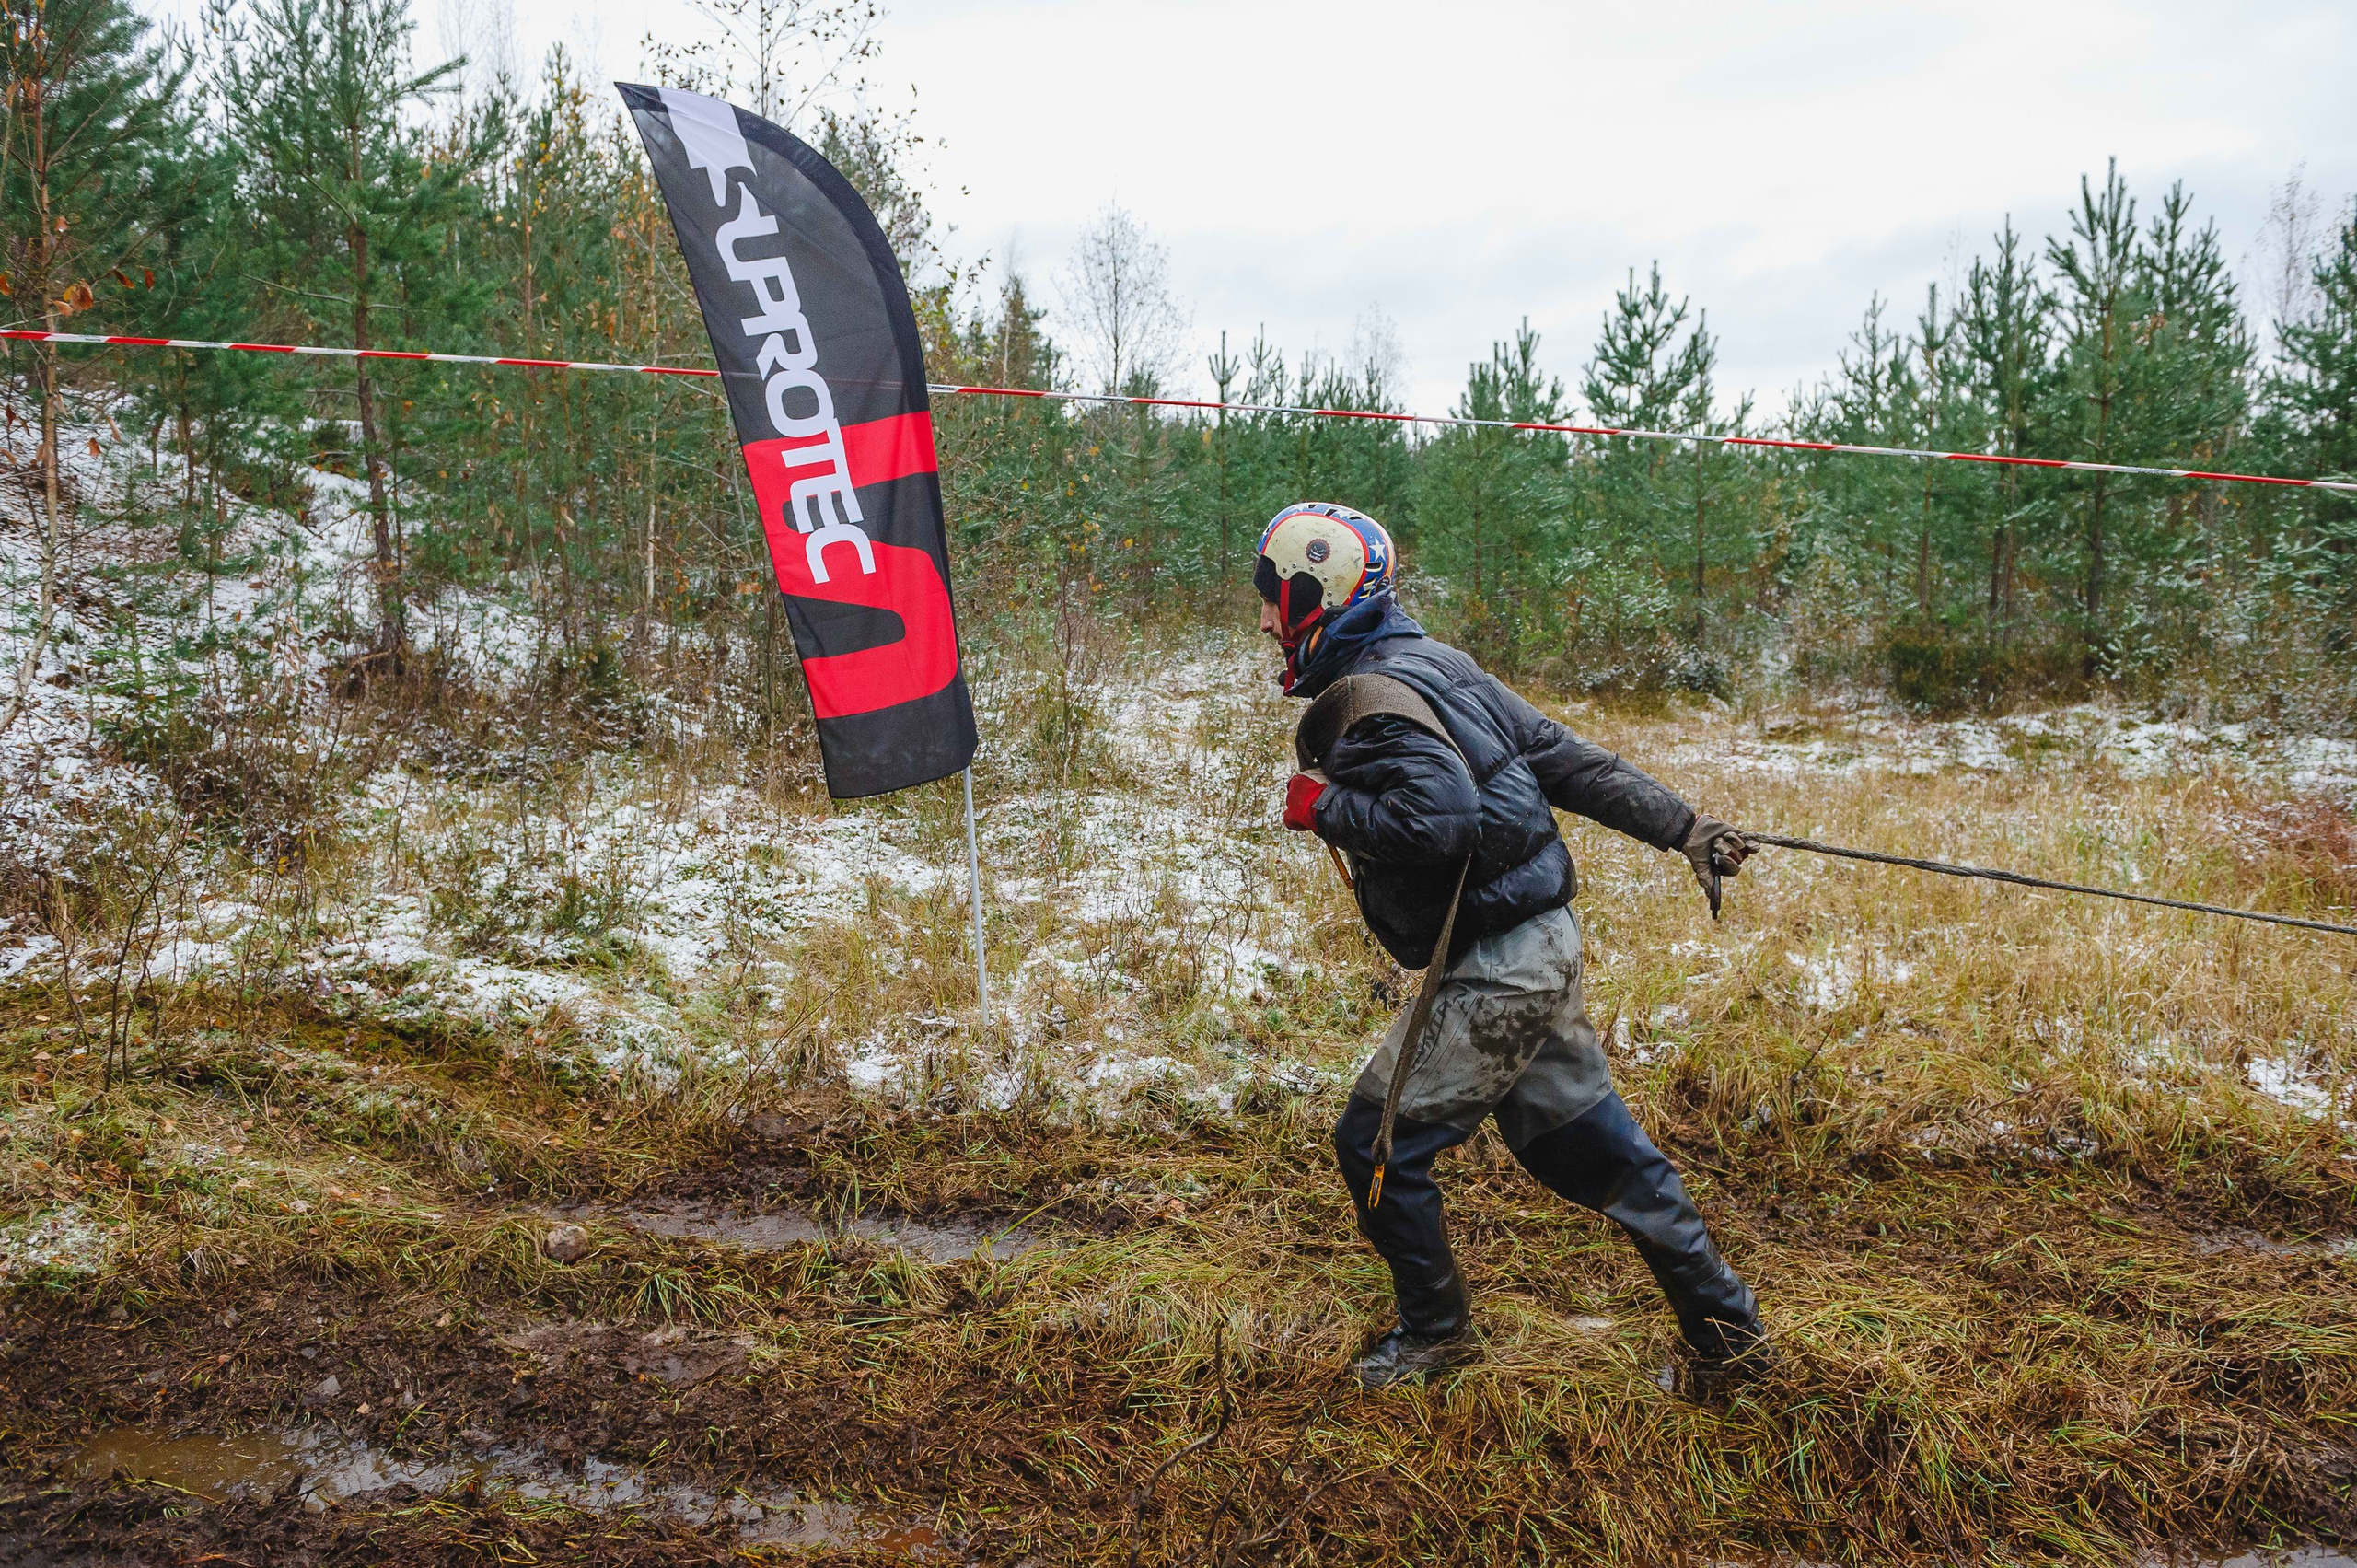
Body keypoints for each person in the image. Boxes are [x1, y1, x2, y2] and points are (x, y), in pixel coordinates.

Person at [1255, 501, 1771, 1395]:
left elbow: (1442, 818)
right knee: (1604, 1157)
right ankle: (1733, 1344)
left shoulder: (1371, 704)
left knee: (1375, 1144)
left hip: (1502, 969)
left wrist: (1321, 807)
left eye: (1274, 597)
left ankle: (1435, 1335)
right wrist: (1684, 827)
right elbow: (1564, 758)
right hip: (1538, 946)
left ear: (1319, 596)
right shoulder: (1434, 665)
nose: (1265, 618)